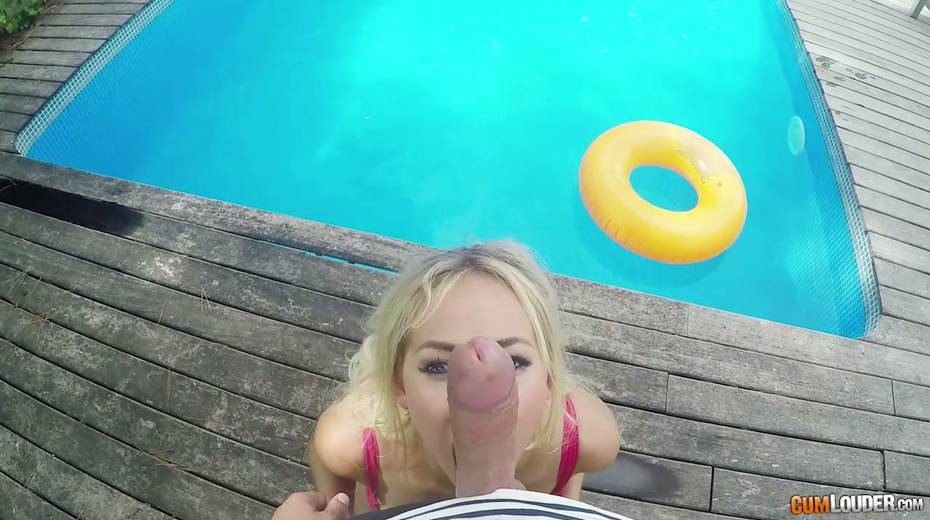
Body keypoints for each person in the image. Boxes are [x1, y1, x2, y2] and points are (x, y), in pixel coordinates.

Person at [300, 241, 620, 516]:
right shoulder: (352, 442)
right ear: (399, 383)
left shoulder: (583, 439)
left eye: (514, 361)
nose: (479, 388)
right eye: (438, 366)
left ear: (549, 379)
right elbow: (330, 502)